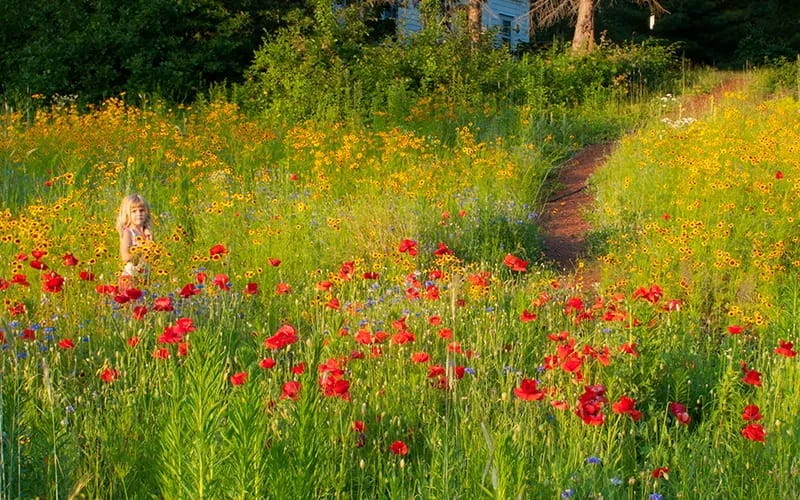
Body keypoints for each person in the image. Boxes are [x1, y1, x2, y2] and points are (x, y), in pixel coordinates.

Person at [116, 194, 153, 293]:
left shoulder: (146, 233)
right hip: (130, 278)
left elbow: (153, 256)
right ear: (127, 214)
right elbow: (125, 256)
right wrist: (140, 250)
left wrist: (150, 240)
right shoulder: (128, 232)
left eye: (141, 210)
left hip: (144, 276)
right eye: (134, 211)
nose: (139, 214)